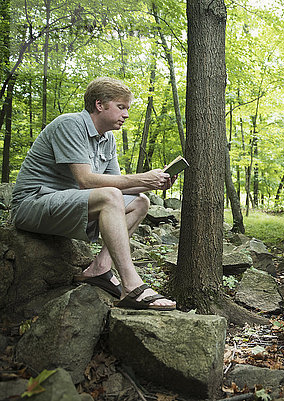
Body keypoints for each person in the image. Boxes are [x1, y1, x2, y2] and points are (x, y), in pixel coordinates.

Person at [11, 77, 176, 310]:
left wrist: (153, 184)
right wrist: (141, 177)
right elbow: (86, 181)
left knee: (140, 202)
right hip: (32, 204)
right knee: (109, 196)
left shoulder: (108, 139)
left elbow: (119, 187)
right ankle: (131, 285)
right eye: (121, 107)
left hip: (67, 204)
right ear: (100, 105)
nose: (126, 114)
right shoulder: (69, 124)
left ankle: (100, 268)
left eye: (127, 108)